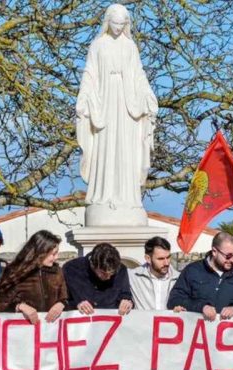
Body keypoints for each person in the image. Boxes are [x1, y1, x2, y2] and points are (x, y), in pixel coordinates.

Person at [75, 3, 158, 226]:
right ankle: (104, 196)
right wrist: (84, 99)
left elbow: (139, 75)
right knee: (106, 149)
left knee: (126, 151)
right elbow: (90, 74)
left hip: (128, 105)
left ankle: (128, 198)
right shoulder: (98, 46)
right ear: (107, 22)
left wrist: (148, 96)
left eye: (123, 24)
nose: (119, 28)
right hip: (104, 106)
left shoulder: (130, 47)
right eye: (115, 24)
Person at [168, 232, 233, 320]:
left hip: (232, 336)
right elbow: (174, 300)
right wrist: (201, 307)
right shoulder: (193, 270)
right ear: (214, 251)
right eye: (228, 256)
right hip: (199, 335)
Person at [0, 230, 67, 324]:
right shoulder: (14, 271)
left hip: (51, 332)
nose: (56, 257)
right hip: (24, 332)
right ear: (41, 252)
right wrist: (19, 306)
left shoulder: (57, 271)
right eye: (53, 254)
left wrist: (61, 304)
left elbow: (64, 297)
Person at [62, 243, 133, 315]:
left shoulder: (121, 270)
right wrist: (76, 304)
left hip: (112, 320)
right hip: (82, 321)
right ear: (93, 265)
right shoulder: (71, 269)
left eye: (112, 274)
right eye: (103, 273)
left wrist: (127, 302)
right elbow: (63, 300)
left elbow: (126, 295)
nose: (108, 277)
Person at [129, 236, 179, 310]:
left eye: (168, 257)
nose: (166, 263)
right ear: (148, 259)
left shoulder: (179, 278)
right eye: (160, 259)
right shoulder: (133, 276)